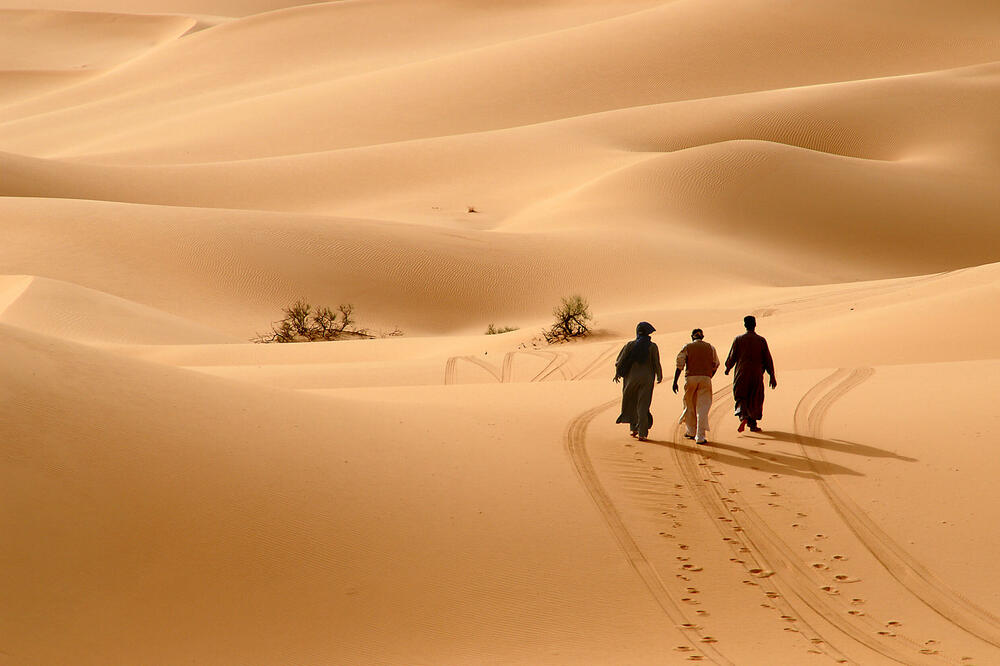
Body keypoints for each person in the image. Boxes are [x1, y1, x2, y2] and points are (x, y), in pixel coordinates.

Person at [724, 315, 777, 433]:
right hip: (756, 374)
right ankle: (752, 424)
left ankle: (743, 416)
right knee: (755, 397)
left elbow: (732, 356)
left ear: (745, 325)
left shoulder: (738, 339)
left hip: (742, 373)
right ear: (755, 325)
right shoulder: (761, 340)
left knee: (741, 395)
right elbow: (767, 359)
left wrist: (728, 368)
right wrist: (772, 375)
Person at [614, 321, 663, 441]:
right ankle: (642, 433)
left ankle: (633, 429)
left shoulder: (630, 345)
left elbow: (619, 361)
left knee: (632, 402)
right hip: (647, 380)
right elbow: (656, 362)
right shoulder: (652, 346)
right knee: (643, 405)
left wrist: (617, 374)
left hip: (631, 379)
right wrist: (659, 375)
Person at [672, 328, 719, 445]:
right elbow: (716, 364)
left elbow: (680, 364)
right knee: (702, 407)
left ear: (692, 337)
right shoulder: (711, 347)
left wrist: (675, 381)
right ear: (702, 337)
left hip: (690, 378)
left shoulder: (687, 347)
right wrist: (709, 375)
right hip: (705, 379)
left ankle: (691, 431)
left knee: (689, 404)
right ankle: (700, 436)